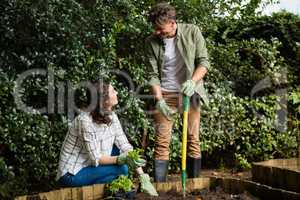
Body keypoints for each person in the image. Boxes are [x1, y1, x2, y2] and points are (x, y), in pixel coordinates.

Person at [145, 2, 211, 182]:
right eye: (155, 28)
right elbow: (152, 74)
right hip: (165, 94)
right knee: (162, 141)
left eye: (161, 28)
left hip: (190, 93)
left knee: (192, 138)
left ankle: (193, 184)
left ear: (173, 23)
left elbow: (204, 62)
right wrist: (159, 100)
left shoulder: (192, 32)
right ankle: (161, 187)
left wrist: (192, 81)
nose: (157, 32)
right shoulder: (151, 42)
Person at [56, 81, 158, 196]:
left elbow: (125, 145)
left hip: (90, 168)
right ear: (103, 100)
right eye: (113, 91)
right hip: (72, 174)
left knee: (119, 154)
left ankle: (109, 187)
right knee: (122, 169)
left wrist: (142, 176)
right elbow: (96, 158)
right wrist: (120, 159)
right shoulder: (84, 121)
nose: (117, 92)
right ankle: (113, 187)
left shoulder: (112, 116)